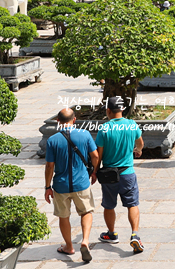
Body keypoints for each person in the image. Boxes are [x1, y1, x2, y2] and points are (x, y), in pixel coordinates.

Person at [45, 108, 99, 262]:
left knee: (64, 216)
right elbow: (95, 156)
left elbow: (49, 166)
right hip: (81, 183)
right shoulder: (85, 134)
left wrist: (47, 187)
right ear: (74, 120)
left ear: (58, 121)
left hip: (61, 186)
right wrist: (94, 171)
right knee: (86, 212)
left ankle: (69, 246)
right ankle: (85, 241)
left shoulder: (52, 140)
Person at [95, 96, 145, 253]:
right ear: (122, 109)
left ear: (108, 110)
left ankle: (111, 234)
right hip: (128, 173)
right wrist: (137, 150)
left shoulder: (104, 129)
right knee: (132, 203)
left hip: (109, 175)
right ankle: (135, 235)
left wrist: (95, 172)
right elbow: (140, 143)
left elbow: (99, 154)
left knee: (109, 205)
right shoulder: (131, 125)